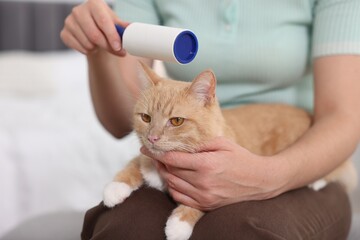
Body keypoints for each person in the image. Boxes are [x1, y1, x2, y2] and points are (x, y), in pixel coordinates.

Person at [61, 0, 360, 239]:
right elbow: (124, 118)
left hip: (299, 157)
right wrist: (99, 49)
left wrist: (267, 178)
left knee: (240, 230)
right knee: (125, 228)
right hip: (188, 145)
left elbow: (343, 116)